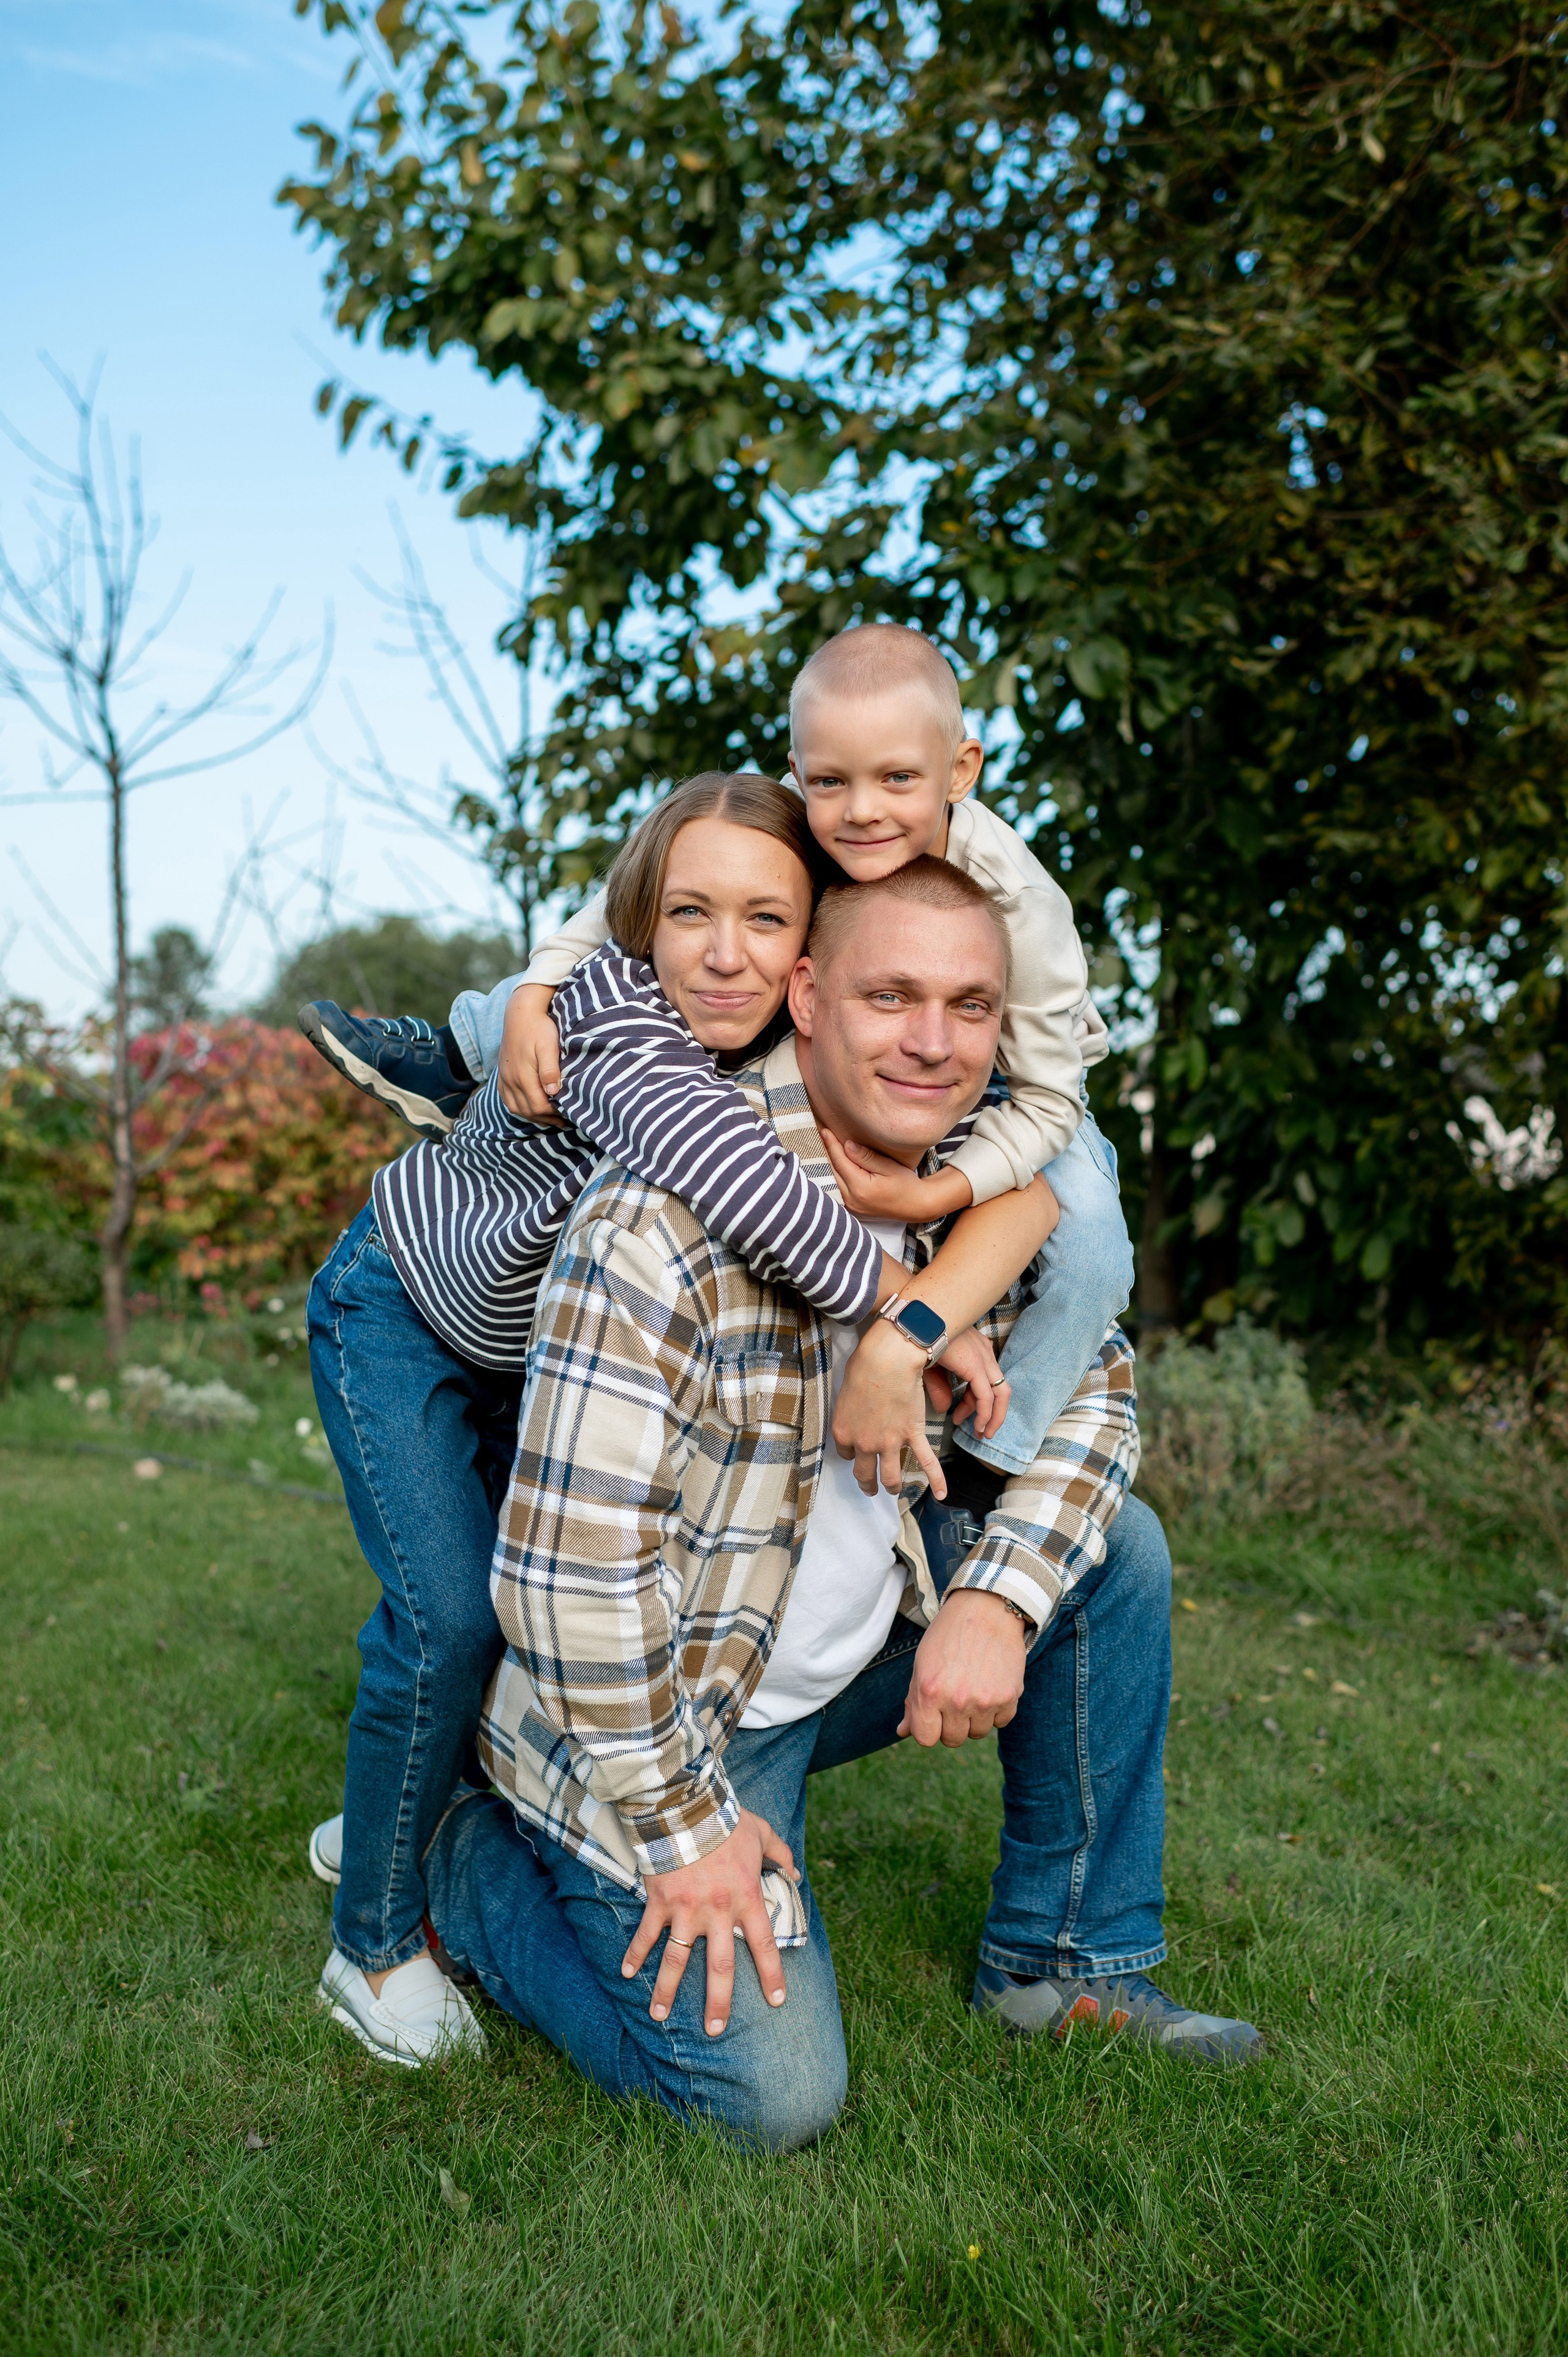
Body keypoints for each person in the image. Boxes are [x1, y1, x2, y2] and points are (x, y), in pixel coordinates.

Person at [409, 861, 1263, 2152]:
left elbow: (1095, 1401)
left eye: (968, 1006)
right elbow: (563, 1582)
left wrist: (990, 1594)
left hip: (829, 1658)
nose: (932, 1041)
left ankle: (1061, 1961)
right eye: (891, 995)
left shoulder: (979, 1188)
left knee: (1107, 1553)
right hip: (658, 1715)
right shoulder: (664, 1216)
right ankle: (468, 1858)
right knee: (766, 2098)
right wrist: (687, 1828)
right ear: (805, 995)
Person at [306, 774, 1055, 2066]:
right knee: (450, 1615)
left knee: (522, 1618)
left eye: (766, 920)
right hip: (408, 1302)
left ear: (810, 951)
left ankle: (425, 1807)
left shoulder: (786, 1045)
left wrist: (995, 1226)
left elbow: (1041, 1176)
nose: (725, 953)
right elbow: (737, 1187)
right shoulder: (625, 1032)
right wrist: (913, 1308)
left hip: (520, 1338)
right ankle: (374, 1933)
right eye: (689, 913)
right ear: (636, 926)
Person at [300, 623, 1134, 1478]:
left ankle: (993, 1457)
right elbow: (636, 896)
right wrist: (534, 991)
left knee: (1096, 1252)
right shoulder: (804, 821)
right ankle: (459, 1052)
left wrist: (935, 1199)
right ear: (801, 768)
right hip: (448, 1279)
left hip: (1033, 1081)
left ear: (960, 772)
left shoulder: (1017, 901)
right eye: (832, 782)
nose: (863, 810)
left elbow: (1047, 1105)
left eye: (897, 780)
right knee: (630, 959)